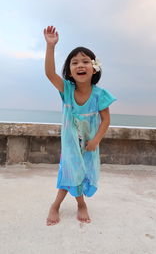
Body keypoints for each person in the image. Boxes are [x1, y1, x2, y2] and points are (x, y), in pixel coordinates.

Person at [44, 26, 117, 226]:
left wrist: (96, 140)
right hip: (70, 145)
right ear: (69, 71)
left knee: (82, 173)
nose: (80, 65)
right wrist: (50, 46)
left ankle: (78, 203)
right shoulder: (66, 90)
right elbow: (50, 74)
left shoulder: (99, 95)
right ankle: (59, 205)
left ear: (94, 68)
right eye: (74, 62)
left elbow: (106, 121)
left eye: (85, 61)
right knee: (70, 172)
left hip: (89, 145)